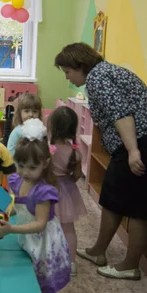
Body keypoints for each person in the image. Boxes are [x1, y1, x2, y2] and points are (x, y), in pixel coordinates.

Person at [54, 42, 147, 280]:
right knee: (112, 194)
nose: (68, 77)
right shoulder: (102, 74)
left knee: (141, 205)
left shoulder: (99, 77)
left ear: (80, 66)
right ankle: (98, 251)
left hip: (145, 142)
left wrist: (133, 151)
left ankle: (130, 265)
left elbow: (122, 115)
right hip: (135, 142)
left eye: (68, 71)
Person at [0, 118, 71, 293]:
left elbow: (40, 224)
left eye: (32, 167)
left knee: (39, 287)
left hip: (42, 241)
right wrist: (7, 207)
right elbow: (14, 198)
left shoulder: (43, 192)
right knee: (27, 278)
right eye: (20, 165)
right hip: (27, 237)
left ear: (45, 163)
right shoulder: (17, 179)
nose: (25, 172)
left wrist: (11, 229)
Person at [48, 106, 87, 277]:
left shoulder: (48, 149)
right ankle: (71, 263)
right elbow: (77, 175)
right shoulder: (75, 152)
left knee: (46, 226)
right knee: (68, 229)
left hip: (48, 191)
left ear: (52, 126)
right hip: (66, 191)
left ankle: (48, 259)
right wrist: (67, 182)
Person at [6, 93, 43, 157]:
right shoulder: (17, 132)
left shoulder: (41, 130)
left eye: (35, 111)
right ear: (20, 113)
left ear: (39, 114)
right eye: (26, 111)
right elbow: (10, 151)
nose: (31, 114)